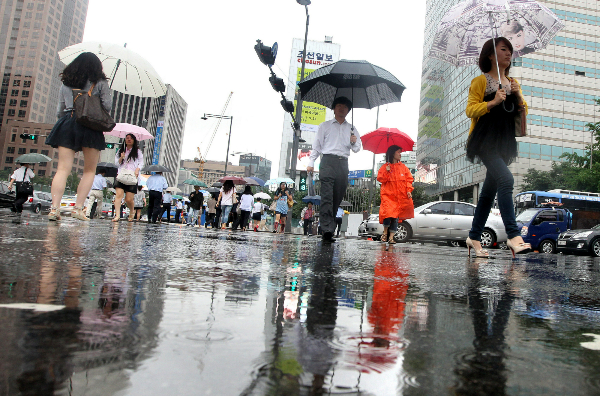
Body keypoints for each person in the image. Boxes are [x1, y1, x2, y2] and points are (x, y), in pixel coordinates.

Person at [465, 37, 532, 258]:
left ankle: (474, 237)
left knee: (488, 193)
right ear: (491, 55)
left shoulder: (513, 82)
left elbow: (521, 111)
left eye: (510, 51)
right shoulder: (480, 81)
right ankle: (513, 236)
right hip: (484, 141)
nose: (509, 53)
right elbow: (470, 110)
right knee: (507, 180)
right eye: (504, 49)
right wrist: (493, 102)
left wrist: (517, 95)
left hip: (504, 143)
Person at [46, 52, 113, 221]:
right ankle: (78, 208)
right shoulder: (101, 83)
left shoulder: (66, 83)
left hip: (67, 123)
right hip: (90, 126)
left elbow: (59, 110)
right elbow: (107, 106)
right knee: (89, 170)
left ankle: (54, 209)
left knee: (62, 169)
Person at [307, 96, 362, 242]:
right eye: (338, 105)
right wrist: (311, 162)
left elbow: (357, 149)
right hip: (327, 161)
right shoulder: (324, 126)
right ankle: (327, 229)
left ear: (348, 110)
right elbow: (317, 145)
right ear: (333, 108)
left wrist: (353, 142)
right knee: (326, 196)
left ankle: (328, 227)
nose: (341, 108)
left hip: (343, 163)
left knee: (337, 196)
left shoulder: (352, 129)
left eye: (344, 106)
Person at [377, 145, 415, 244]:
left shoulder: (403, 168)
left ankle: (391, 237)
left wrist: (408, 190)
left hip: (399, 197)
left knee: (395, 217)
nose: (400, 154)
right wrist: (387, 171)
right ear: (392, 153)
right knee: (387, 214)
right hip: (388, 195)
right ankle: (385, 232)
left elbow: (409, 180)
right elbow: (381, 179)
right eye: (398, 152)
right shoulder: (385, 167)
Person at [113, 133, 143, 222]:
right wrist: (121, 158)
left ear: (134, 140)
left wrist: (137, 170)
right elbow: (116, 164)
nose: (129, 140)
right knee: (118, 195)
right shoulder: (120, 151)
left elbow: (141, 163)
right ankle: (117, 215)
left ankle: (131, 211)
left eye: (131, 138)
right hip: (121, 175)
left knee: (129, 199)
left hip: (132, 176)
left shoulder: (138, 152)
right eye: (127, 138)